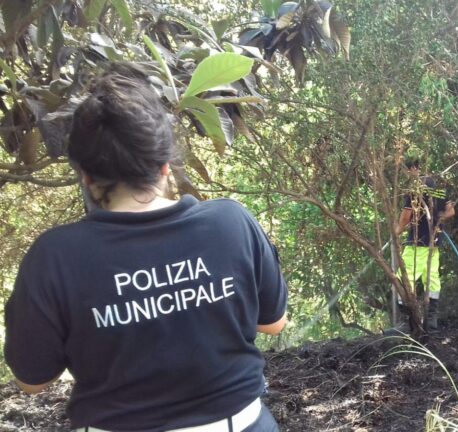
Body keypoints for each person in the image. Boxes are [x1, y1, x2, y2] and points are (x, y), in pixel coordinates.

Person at [3, 63, 288, 432]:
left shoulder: (54, 257)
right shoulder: (231, 223)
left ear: (86, 176)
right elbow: (274, 322)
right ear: (166, 165)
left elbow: (33, 380)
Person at [395, 159, 455, 330]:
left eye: (407, 171)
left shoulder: (416, 188)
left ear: (414, 168)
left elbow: (406, 216)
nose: (407, 175)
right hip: (434, 242)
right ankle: (431, 320)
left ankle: (407, 323)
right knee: (431, 277)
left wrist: (398, 230)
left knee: (405, 276)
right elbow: (451, 211)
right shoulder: (439, 187)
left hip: (417, 241)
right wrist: (436, 220)